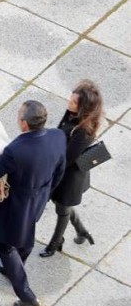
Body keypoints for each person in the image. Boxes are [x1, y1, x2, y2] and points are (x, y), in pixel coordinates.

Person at [0, 100, 66, 306]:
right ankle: (14, 267)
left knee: (4, 243)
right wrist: (45, 194)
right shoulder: (57, 136)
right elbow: (59, 170)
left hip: (17, 204)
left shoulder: (15, 150)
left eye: (19, 117)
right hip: (39, 197)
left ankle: (26, 294)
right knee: (25, 234)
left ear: (25, 124)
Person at [41, 80, 103, 257]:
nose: (69, 102)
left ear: (83, 107)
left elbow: (67, 159)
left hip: (69, 178)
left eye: (74, 102)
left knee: (62, 209)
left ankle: (55, 242)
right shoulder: (72, 115)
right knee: (62, 205)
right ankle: (82, 230)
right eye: (71, 98)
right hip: (63, 172)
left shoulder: (84, 131)